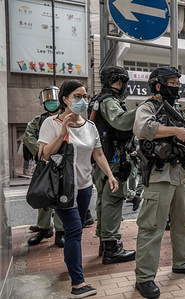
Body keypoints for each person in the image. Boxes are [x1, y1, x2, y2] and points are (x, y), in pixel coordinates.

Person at [38, 79, 119, 298]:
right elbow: (45, 154)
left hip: (84, 187)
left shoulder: (90, 126)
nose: (82, 100)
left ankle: (70, 262)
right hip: (63, 188)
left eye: (85, 96)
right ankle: (78, 283)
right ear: (65, 99)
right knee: (73, 230)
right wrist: (63, 130)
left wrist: (110, 175)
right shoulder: (51, 123)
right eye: (77, 96)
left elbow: (98, 154)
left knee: (78, 230)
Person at [133, 66, 185, 299]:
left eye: (177, 83)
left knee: (183, 223)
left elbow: (183, 142)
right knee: (152, 227)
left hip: (179, 175)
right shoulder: (148, 107)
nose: (177, 87)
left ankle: (182, 262)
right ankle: (144, 278)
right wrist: (177, 130)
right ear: (157, 85)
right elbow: (143, 128)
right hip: (159, 176)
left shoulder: (177, 111)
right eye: (172, 83)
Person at [91, 66, 137, 264]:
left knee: (103, 200)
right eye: (123, 81)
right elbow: (120, 122)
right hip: (113, 160)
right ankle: (111, 247)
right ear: (118, 81)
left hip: (102, 159)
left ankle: (105, 240)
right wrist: (144, 109)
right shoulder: (110, 101)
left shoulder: (98, 100)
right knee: (113, 200)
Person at [24, 86, 65, 248]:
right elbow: (28, 136)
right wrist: (41, 153)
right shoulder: (38, 120)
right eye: (47, 100)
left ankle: (61, 231)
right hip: (45, 163)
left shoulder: (66, 117)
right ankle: (44, 228)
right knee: (43, 193)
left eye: (53, 99)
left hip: (62, 162)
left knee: (62, 196)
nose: (51, 102)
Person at [125, 136, 143, 211]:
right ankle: (133, 195)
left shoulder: (135, 136)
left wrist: (135, 153)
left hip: (134, 158)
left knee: (133, 177)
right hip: (129, 158)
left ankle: (135, 194)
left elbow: (138, 145)